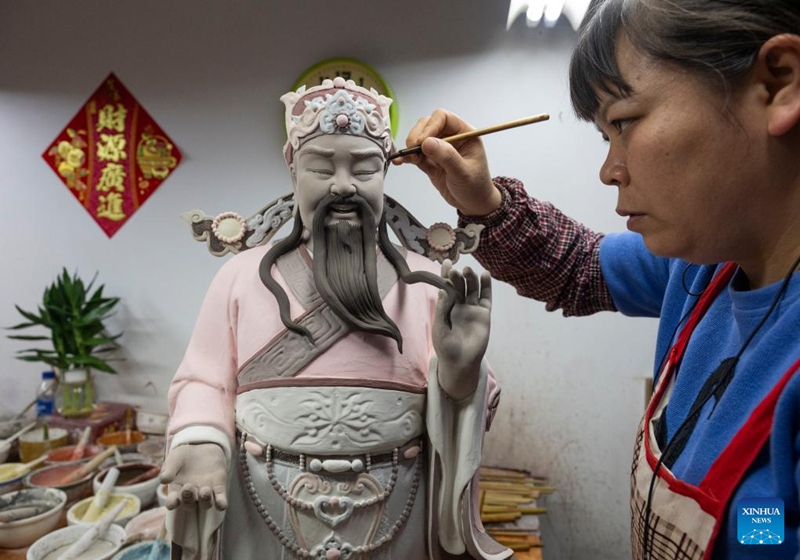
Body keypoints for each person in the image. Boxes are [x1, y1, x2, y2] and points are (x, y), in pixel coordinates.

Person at [395, 0, 800, 558]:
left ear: (779, 84)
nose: (609, 169)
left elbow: (768, 533)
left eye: (624, 122)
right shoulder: (701, 272)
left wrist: (761, 533)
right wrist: (482, 201)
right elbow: (577, 268)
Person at [161, 77, 511, 560]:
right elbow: (204, 379)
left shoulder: (430, 285)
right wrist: (200, 441)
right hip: (267, 517)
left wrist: (460, 372)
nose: (343, 185)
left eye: (364, 169)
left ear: (385, 176)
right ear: (292, 168)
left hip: (394, 516)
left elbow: (465, 413)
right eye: (322, 167)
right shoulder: (237, 279)